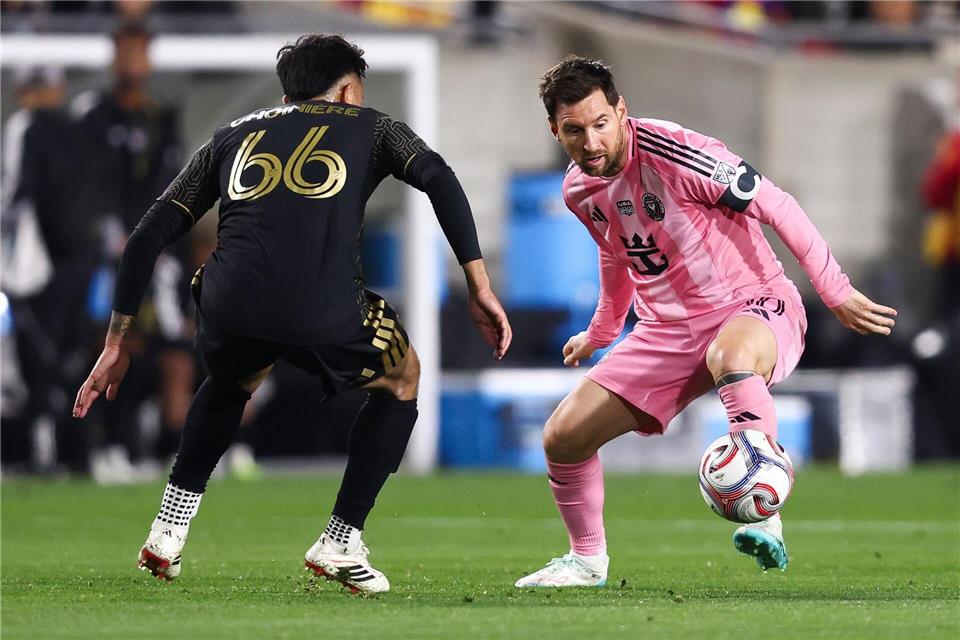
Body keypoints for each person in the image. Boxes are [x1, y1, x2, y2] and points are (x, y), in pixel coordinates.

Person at [73, 34, 512, 594]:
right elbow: (439, 178)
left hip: (226, 303)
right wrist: (478, 283)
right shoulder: (375, 126)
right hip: (321, 307)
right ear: (349, 88)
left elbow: (146, 237)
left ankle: (167, 531)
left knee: (232, 378)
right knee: (403, 379)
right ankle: (341, 538)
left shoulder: (230, 135)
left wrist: (115, 343)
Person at [515, 57, 897, 588]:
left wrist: (834, 289)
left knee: (732, 355)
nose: (591, 141)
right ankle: (585, 562)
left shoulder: (678, 152)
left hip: (751, 303)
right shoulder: (578, 190)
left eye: (601, 123)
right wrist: (603, 331)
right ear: (555, 130)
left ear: (621, 112)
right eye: (575, 131)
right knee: (563, 437)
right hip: (665, 331)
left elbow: (778, 205)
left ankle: (766, 512)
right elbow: (618, 252)